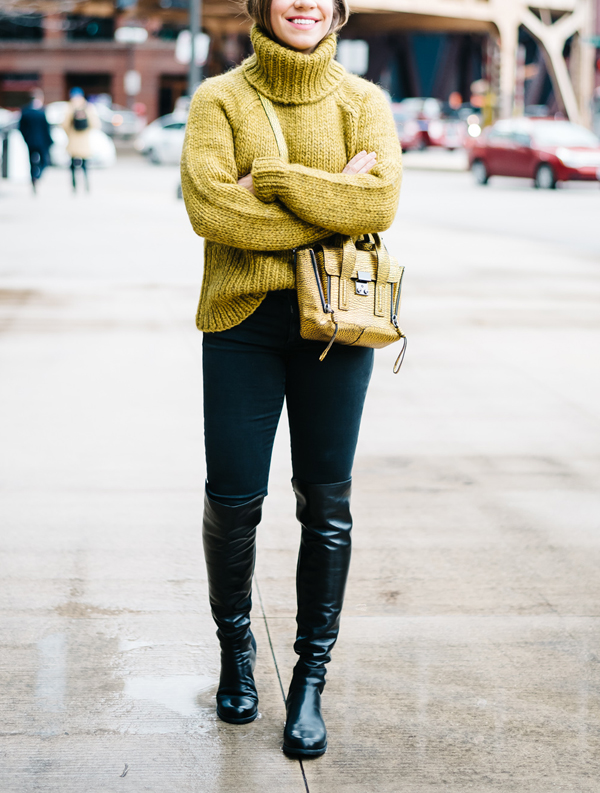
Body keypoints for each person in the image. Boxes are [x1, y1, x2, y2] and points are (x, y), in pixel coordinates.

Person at [181, 0, 401, 758]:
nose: (304, 2)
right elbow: (213, 210)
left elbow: (380, 202)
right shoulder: (219, 99)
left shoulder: (364, 103)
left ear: (338, 10)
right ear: (262, 5)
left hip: (337, 326)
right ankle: (236, 650)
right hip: (240, 325)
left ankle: (310, 677)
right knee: (233, 501)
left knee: (326, 504)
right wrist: (327, 196)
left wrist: (269, 179)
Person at [61, 87, 99, 192]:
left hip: (73, 140)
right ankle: (86, 184)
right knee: (85, 165)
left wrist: (70, 134)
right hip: (84, 141)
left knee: (73, 165)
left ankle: (74, 185)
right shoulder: (88, 107)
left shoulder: (70, 107)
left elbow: (64, 124)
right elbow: (95, 124)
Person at [18, 89, 53, 193]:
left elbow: (21, 127)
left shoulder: (26, 111)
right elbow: (47, 128)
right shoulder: (41, 111)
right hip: (41, 141)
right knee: (43, 161)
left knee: (32, 161)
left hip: (31, 141)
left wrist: (26, 138)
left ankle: (34, 176)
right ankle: (37, 176)